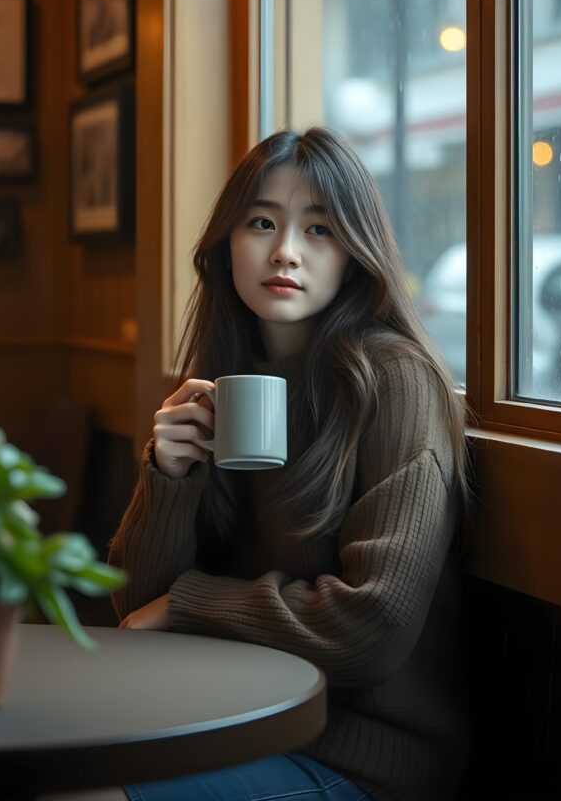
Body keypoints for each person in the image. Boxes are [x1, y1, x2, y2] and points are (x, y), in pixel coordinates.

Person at [108, 126, 471, 801]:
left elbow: (372, 627)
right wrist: (169, 477)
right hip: (225, 722)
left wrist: (188, 606)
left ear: (354, 252)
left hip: (362, 759)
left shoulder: (392, 379)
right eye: (262, 222)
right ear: (226, 245)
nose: (284, 252)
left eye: (319, 230)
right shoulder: (226, 379)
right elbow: (135, 608)